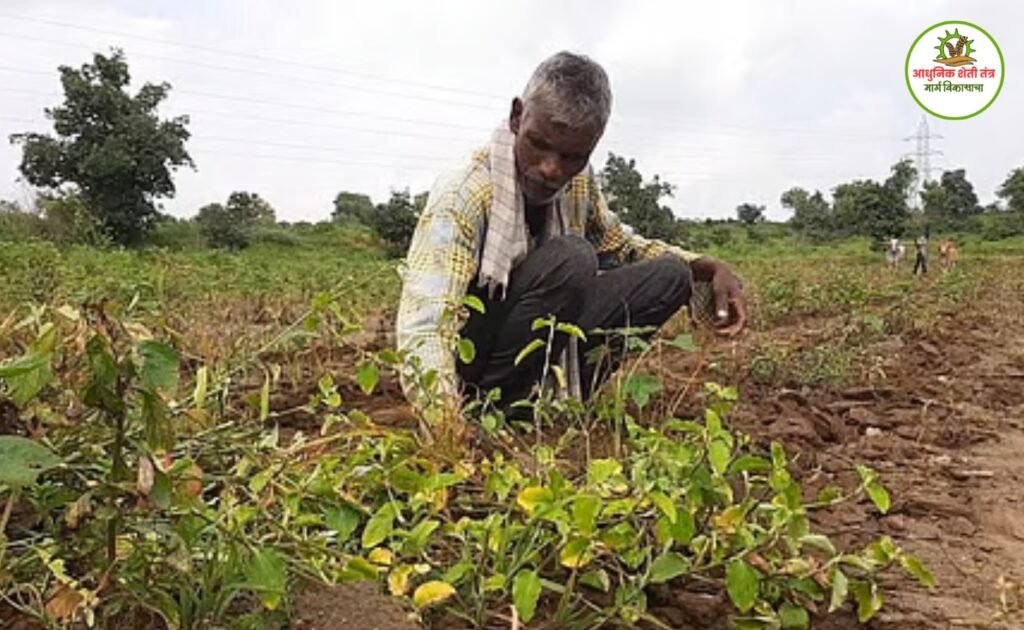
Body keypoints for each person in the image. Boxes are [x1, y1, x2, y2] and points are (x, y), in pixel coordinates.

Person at [395, 51, 747, 420]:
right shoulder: (465, 193)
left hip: (532, 343)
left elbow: (620, 247)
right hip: (472, 363)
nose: (551, 169)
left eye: (572, 156)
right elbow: (425, 326)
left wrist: (706, 267)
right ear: (517, 116)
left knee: (670, 275)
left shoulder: (578, 184)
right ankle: (491, 413)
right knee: (573, 258)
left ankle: (553, 405)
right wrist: (445, 426)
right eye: (539, 144)